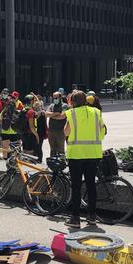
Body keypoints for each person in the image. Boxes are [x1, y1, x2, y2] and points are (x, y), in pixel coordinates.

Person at [64, 90, 106, 227]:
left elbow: (66, 131)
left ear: (73, 102)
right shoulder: (96, 112)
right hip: (93, 153)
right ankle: (92, 216)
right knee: (91, 185)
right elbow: (103, 131)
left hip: (76, 154)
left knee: (76, 186)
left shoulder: (71, 113)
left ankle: (75, 218)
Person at [0, 94, 24, 158]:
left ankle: (5, 161)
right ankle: (14, 163)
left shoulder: (3, 112)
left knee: (5, 150)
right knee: (15, 151)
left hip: (5, 132)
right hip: (14, 133)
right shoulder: (17, 112)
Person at [45, 90, 69, 157]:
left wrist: (52, 116)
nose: (55, 99)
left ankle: (61, 163)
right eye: (54, 98)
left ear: (60, 98)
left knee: (60, 149)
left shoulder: (65, 106)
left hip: (61, 131)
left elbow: (62, 116)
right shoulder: (52, 105)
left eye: (56, 98)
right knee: (52, 149)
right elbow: (46, 114)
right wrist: (56, 114)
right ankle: (52, 164)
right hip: (51, 131)